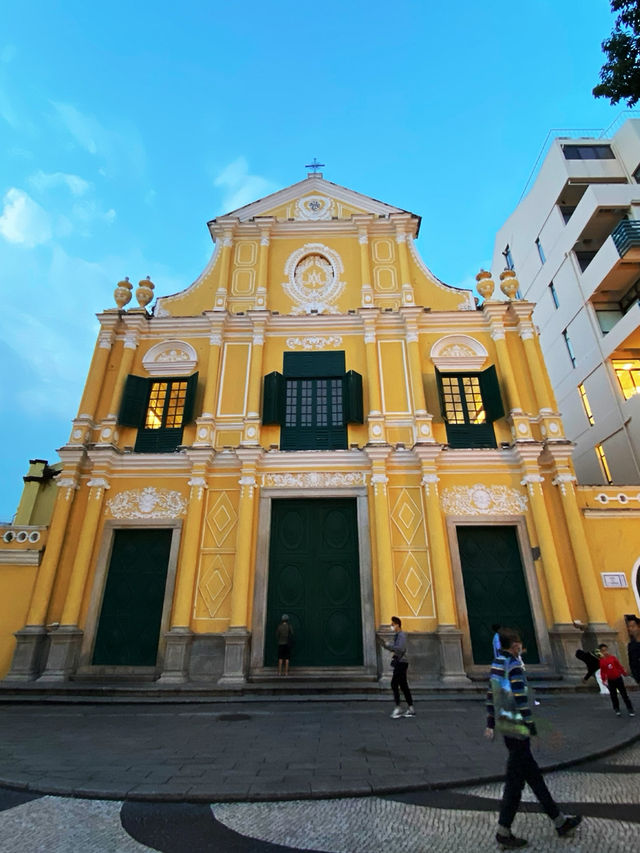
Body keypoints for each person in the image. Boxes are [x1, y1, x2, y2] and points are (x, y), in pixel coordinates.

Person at [485, 627, 582, 849]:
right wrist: (531, 725)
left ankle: (558, 821)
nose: (521, 645)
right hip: (517, 726)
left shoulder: (497, 663)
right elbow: (520, 696)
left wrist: (491, 721)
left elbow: (492, 692)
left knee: (529, 777)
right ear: (514, 645)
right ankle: (506, 829)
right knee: (517, 781)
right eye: (518, 642)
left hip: (505, 724)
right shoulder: (514, 665)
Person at [381, 616, 415, 719]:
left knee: (394, 683)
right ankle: (410, 708)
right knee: (403, 685)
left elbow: (400, 648)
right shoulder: (398, 636)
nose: (391, 627)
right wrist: (388, 645)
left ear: (397, 625)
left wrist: (389, 646)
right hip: (401, 662)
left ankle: (398, 707)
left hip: (401, 662)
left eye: (392, 625)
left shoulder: (402, 635)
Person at [598, 643, 635, 717]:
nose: (605, 652)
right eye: (603, 651)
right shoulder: (601, 661)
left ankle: (630, 708)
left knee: (624, 694)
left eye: (606, 650)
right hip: (611, 680)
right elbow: (603, 671)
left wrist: (624, 673)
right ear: (601, 652)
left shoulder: (613, 658)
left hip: (618, 678)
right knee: (613, 695)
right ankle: (616, 708)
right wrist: (603, 679)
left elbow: (619, 666)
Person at [627, 616, 640, 685]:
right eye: (629, 627)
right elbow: (632, 663)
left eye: (632, 626)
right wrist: (637, 678)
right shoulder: (631, 645)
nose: (630, 629)